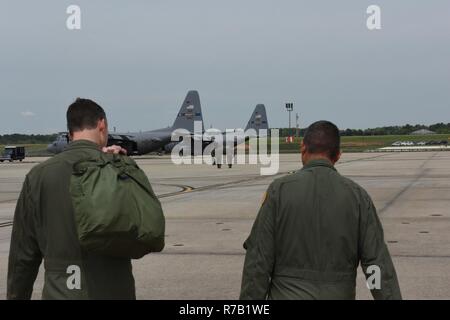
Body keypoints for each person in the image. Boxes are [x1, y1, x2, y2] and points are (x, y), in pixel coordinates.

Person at [240, 120, 401, 300]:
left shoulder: (279, 191)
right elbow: (376, 264)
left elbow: (258, 260)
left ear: (302, 147)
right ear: (338, 155)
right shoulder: (358, 197)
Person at [7, 98, 142, 299]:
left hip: (60, 292)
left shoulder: (38, 176)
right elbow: (144, 231)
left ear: (70, 133)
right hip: (114, 291)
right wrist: (122, 167)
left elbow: (23, 254)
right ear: (102, 125)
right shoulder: (118, 167)